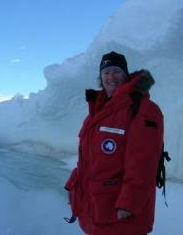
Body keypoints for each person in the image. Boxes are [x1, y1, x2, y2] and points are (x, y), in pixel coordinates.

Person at [64, 51, 164, 235]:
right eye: (106, 72)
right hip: (95, 210)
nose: (110, 77)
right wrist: (73, 185)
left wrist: (129, 203)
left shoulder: (143, 109)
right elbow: (88, 160)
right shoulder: (96, 112)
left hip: (121, 216)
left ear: (126, 75)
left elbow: (144, 163)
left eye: (116, 71)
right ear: (100, 78)